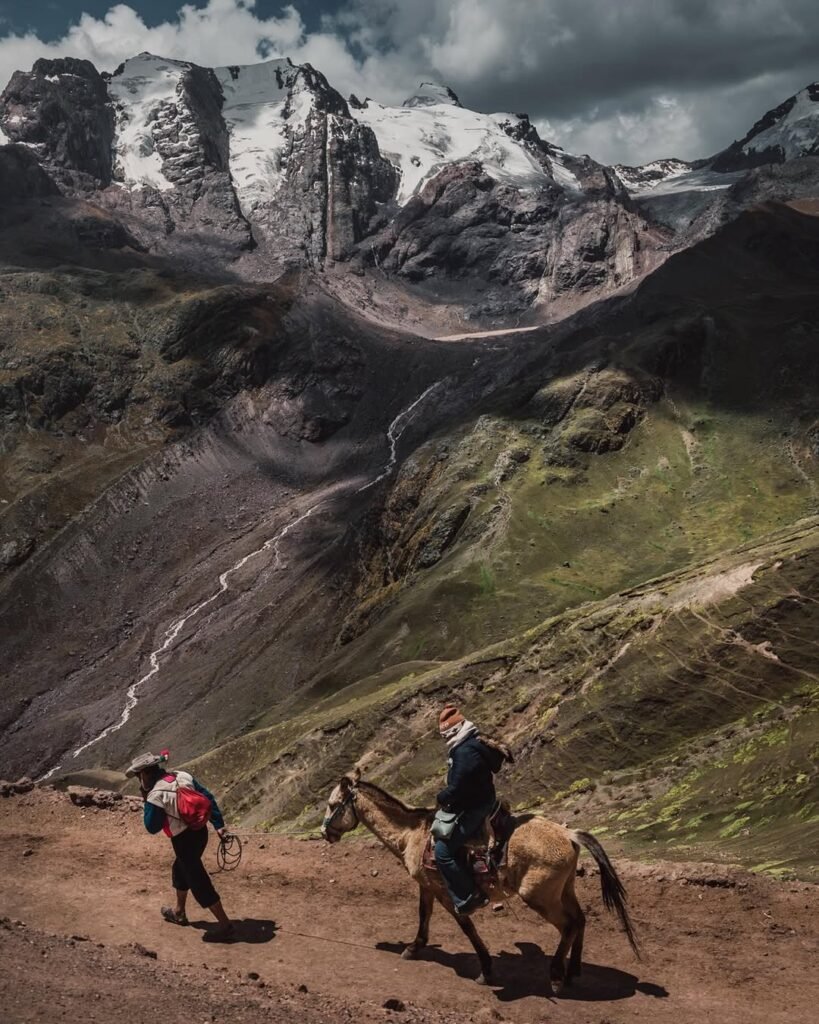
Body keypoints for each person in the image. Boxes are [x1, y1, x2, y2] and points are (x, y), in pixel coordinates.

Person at [126, 751, 234, 942]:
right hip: (200, 833)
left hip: (183, 840)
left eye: (138, 776)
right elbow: (207, 797)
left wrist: (146, 798)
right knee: (180, 869)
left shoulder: (155, 794)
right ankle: (179, 912)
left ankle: (225, 925)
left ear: (143, 774)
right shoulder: (183, 776)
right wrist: (219, 825)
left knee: (197, 879)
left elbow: (152, 827)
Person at [434, 705, 501, 916]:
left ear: (453, 731)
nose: (445, 739)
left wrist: (441, 798)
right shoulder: (475, 744)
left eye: (446, 735)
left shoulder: (463, 752)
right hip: (484, 798)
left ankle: (469, 896)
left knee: (442, 852)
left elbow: (457, 787)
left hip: (475, 806)